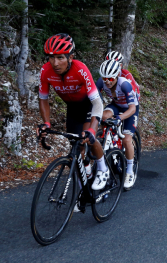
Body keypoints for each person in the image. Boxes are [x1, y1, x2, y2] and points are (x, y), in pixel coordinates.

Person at [37, 33, 109, 196]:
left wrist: (92, 129)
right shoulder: (46, 71)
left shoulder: (80, 69)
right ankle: (86, 180)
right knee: (77, 149)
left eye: (60, 58)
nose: (55, 63)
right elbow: (43, 98)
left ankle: (103, 168)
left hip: (90, 104)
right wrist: (46, 123)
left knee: (89, 139)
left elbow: (97, 103)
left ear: (71, 57)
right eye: (51, 58)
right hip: (73, 108)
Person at [96, 60, 139, 190]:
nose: (107, 81)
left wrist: (120, 118)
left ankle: (130, 171)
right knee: (104, 116)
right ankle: (108, 139)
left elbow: (132, 108)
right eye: (105, 78)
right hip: (115, 105)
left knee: (126, 140)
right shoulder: (100, 82)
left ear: (117, 76)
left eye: (110, 78)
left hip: (130, 109)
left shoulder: (124, 84)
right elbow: (97, 101)